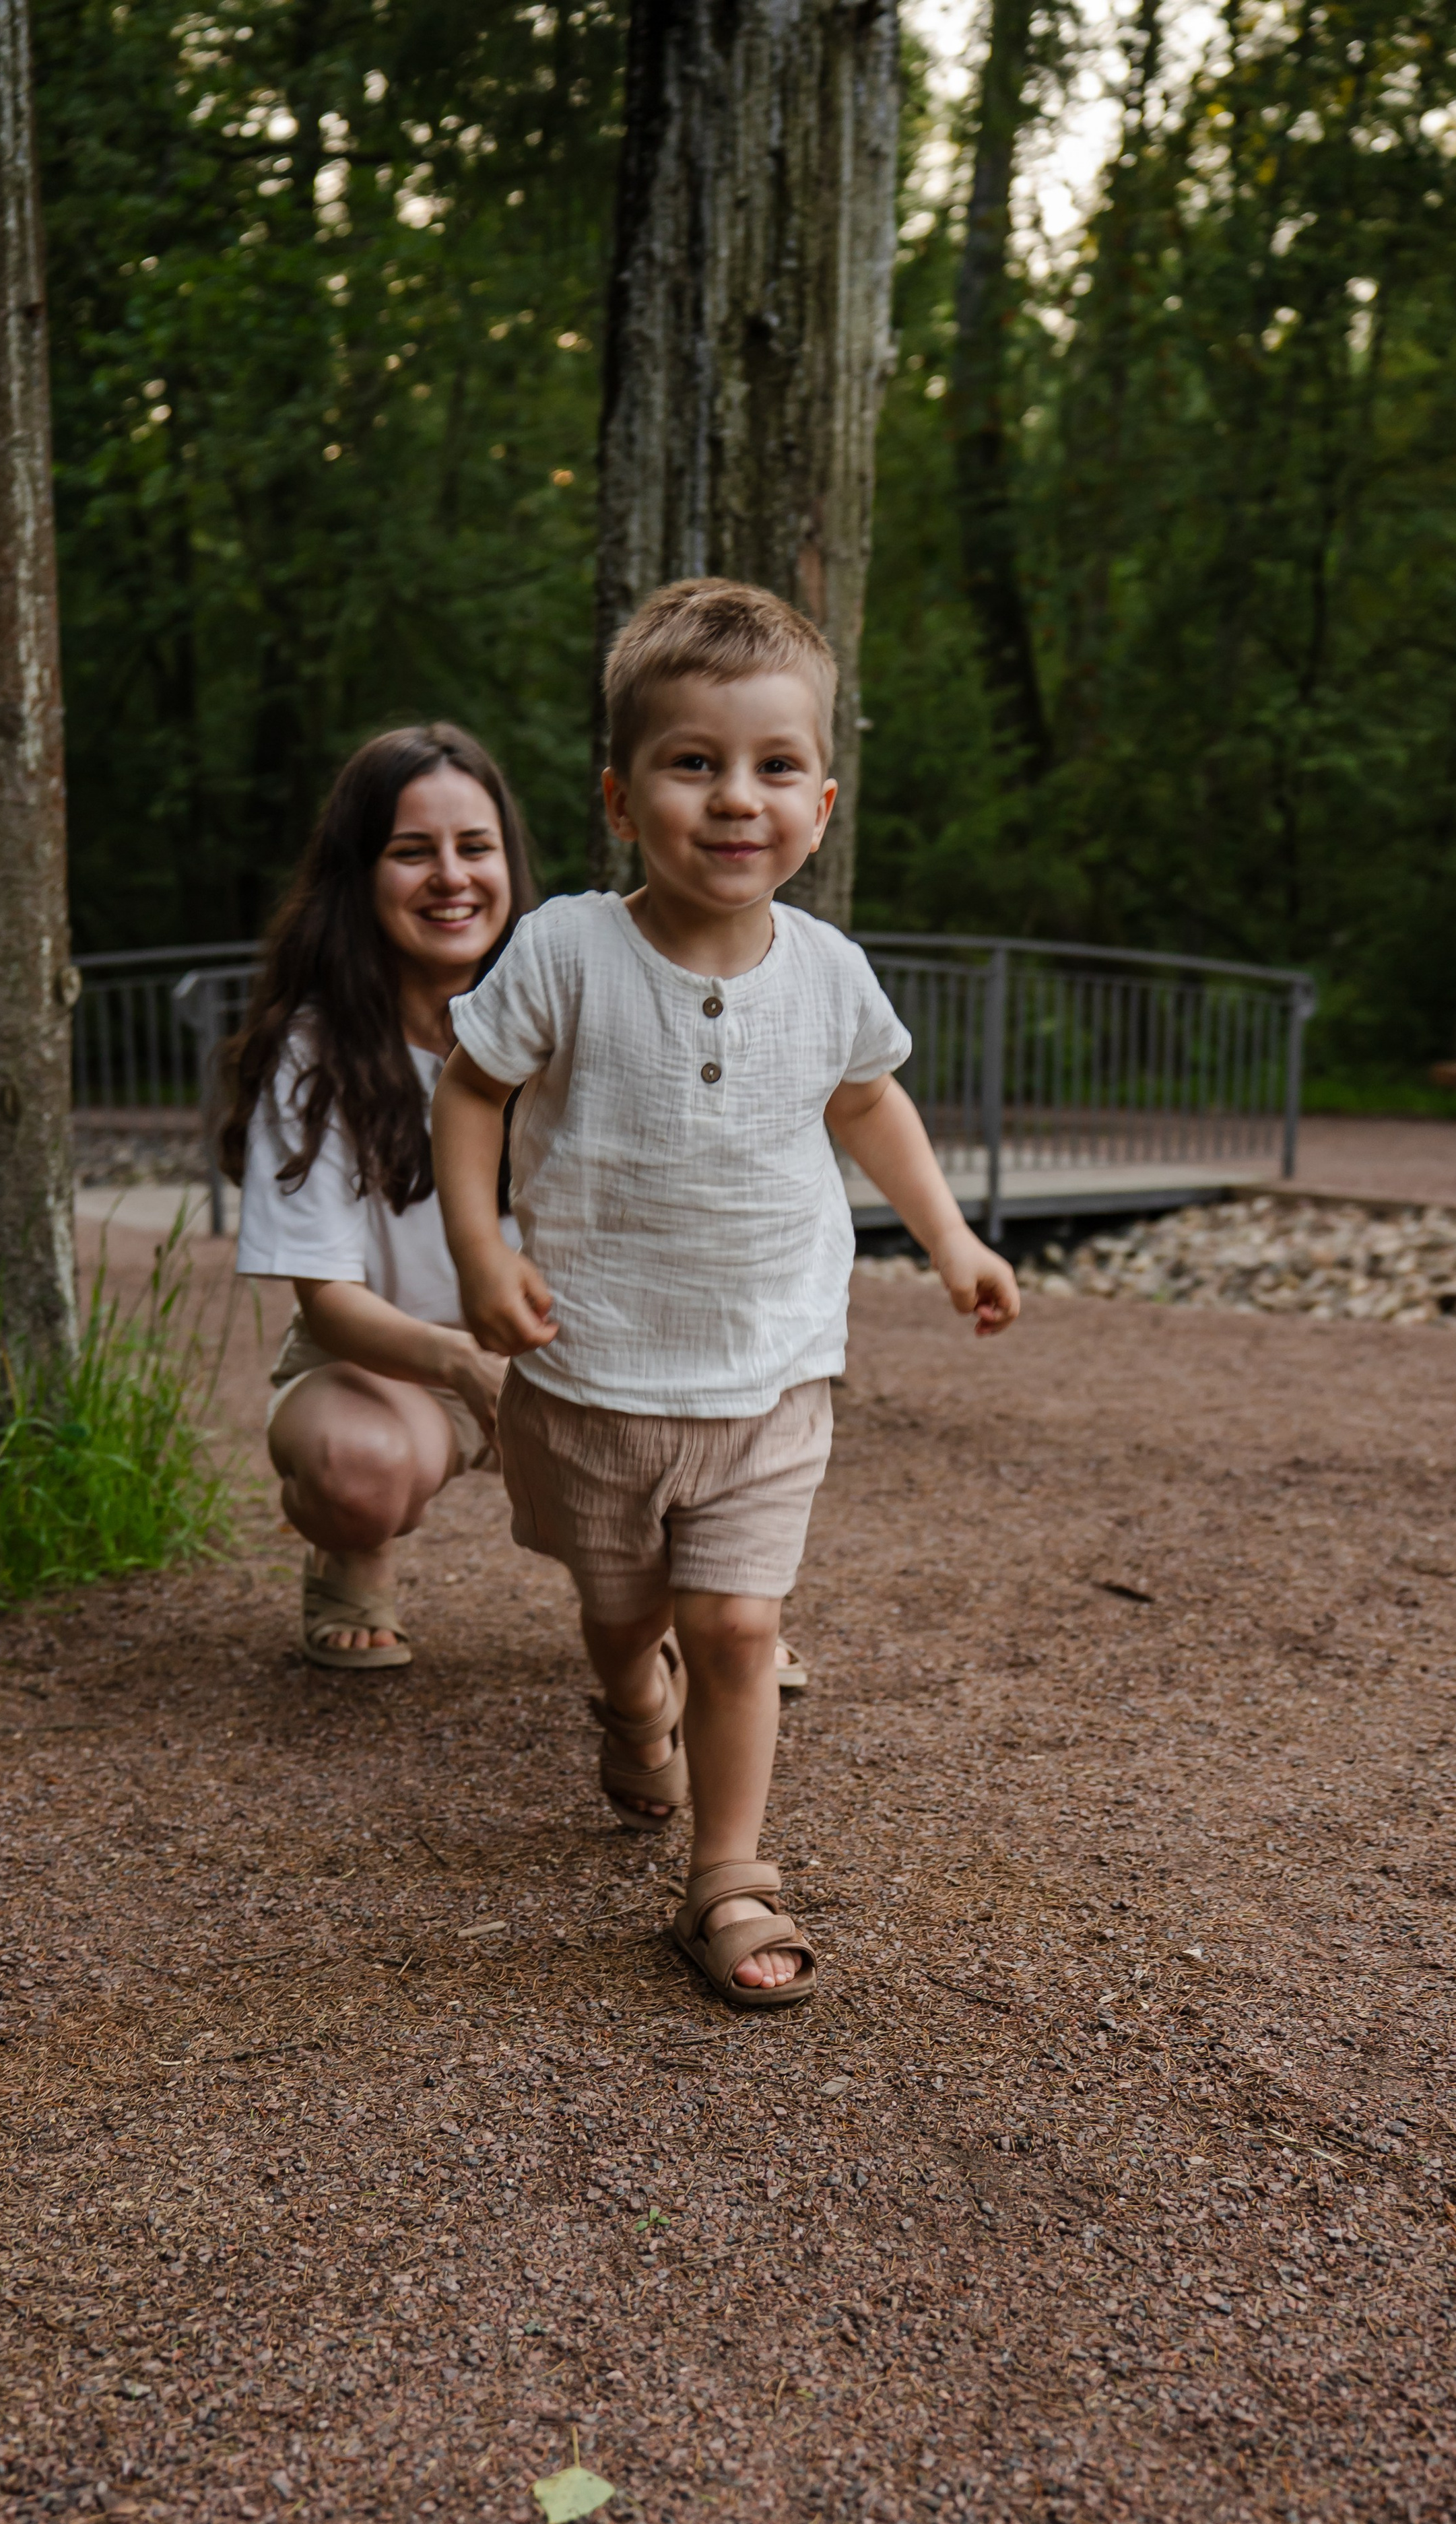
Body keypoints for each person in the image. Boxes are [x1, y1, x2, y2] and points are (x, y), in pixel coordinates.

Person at [431, 578, 1020, 2006]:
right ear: (623, 799)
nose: (734, 799)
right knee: (622, 1615)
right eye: (692, 763)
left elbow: (867, 1102)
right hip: (592, 1379)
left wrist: (949, 1242)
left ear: (819, 803)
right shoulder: (569, 948)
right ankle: (629, 1704)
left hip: (767, 1373)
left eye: (770, 768)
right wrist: (476, 1249)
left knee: (739, 1626)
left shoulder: (828, 971)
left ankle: (727, 1877)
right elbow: (469, 1090)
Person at [222, 723, 535, 1668]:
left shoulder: (573, 1018)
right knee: (359, 1472)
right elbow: (327, 1298)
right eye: (412, 852)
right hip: (387, 1367)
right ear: (358, 876)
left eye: (475, 848)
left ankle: (724, 1615)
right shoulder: (311, 1053)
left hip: (570, 1350)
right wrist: (470, 1368)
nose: (452, 877)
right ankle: (349, 1551)